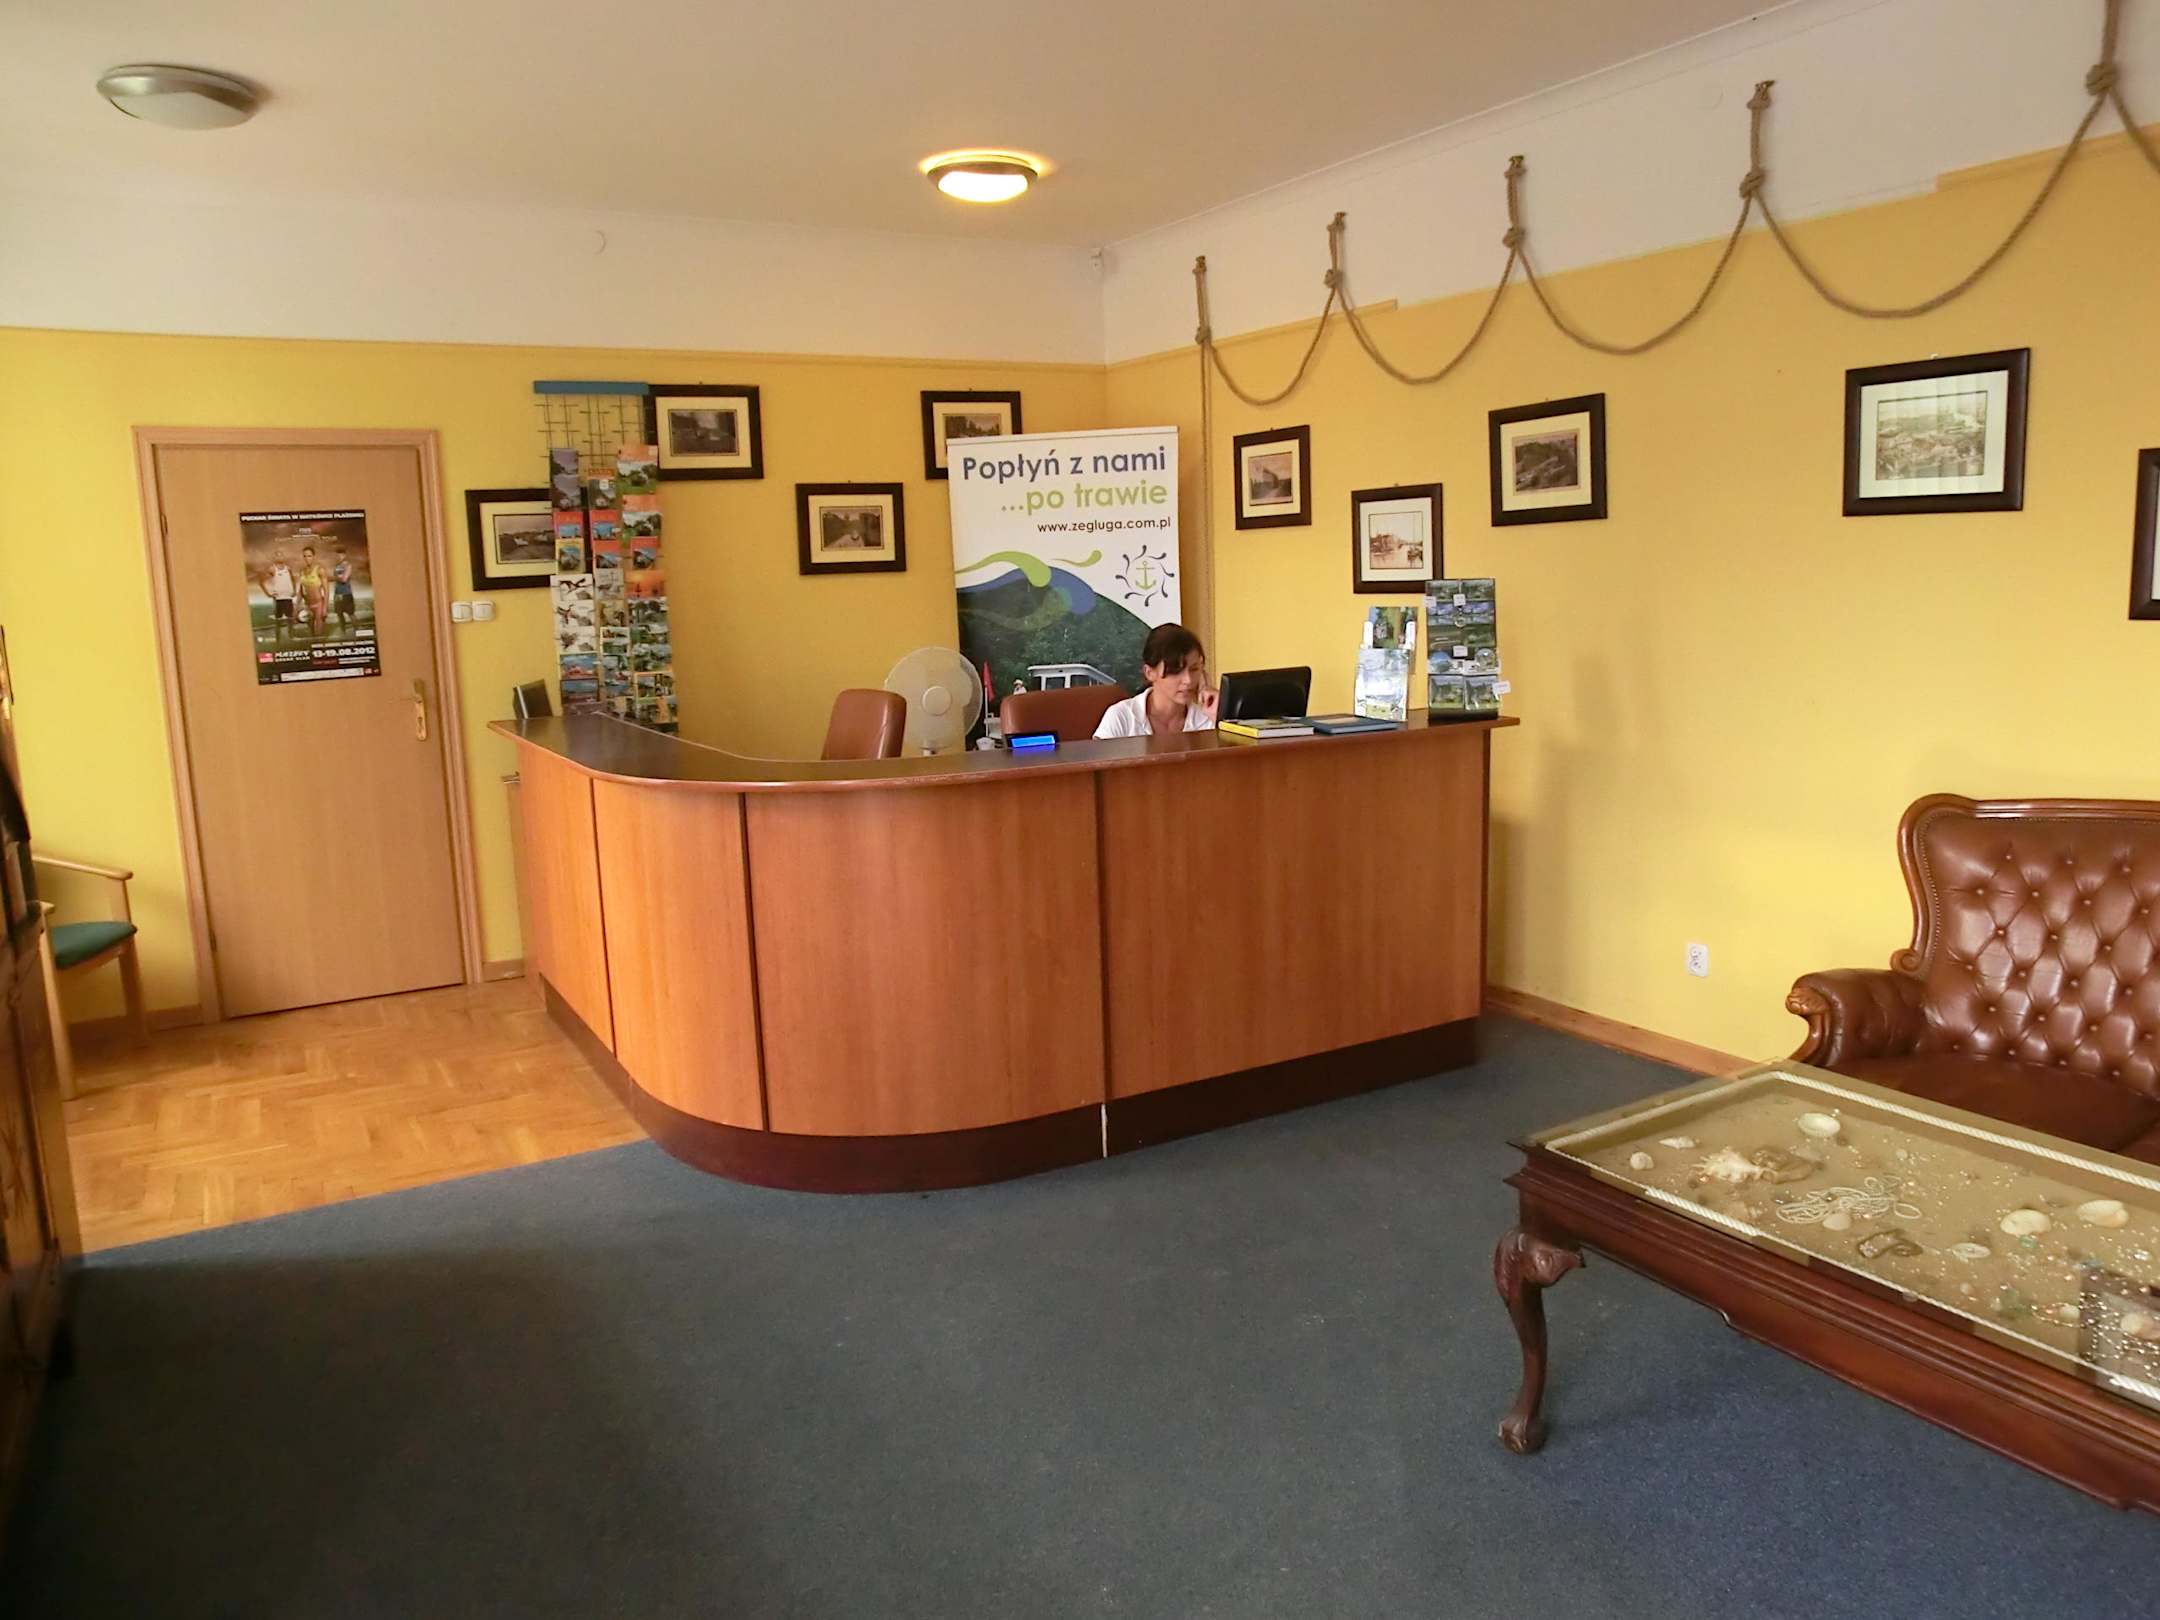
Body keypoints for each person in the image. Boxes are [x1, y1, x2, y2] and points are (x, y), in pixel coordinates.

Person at [1093, 623, 1219, 738]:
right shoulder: (1121, 717)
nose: (1188, 680)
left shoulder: (1207, 717)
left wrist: (1219, 717)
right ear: (1150, 673)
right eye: (1175, 671)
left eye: (1194, 669)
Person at [260, 549, 297, 644]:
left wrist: (294, 590)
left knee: (290, 619)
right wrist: (268, 594)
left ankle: (291, 637)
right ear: (274, 558)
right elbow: (261, 581)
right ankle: (278, 638)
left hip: (288, 598)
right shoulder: (272, 569)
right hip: (278, 599)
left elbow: (293, 579)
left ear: (283, 557)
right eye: (277, 555)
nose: (279, 557)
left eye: (281, 555)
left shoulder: (288, 568)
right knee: (278, 620)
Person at [331, 547, 358, 632]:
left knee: (350, 613)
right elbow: (338, 578)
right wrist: (337, 577)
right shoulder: (337, 566)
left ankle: (357, 630)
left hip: (346, 593)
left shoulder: (347, 565)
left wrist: (334, 578)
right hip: (338, 594)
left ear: (344, 555)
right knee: (339, 614)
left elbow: (344, 579)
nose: (339, 557)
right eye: (337, 555)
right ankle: (343, 631)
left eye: (340, 555)